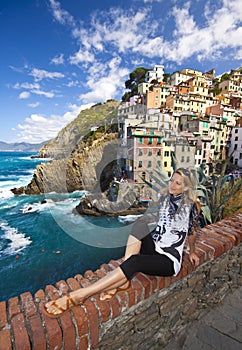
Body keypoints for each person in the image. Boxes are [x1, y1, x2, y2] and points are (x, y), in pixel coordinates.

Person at [44, 167, 200, 317]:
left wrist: (192, 251)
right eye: (172, 181)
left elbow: (192, 232)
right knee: (139, 224)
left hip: (168, 260)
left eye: (178, 183)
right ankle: (124, 281)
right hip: (155, 247)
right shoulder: (164, 198)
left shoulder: (192, 206)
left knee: (136, 261)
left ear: (187, 188)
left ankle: (81, 295)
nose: (172, 185)